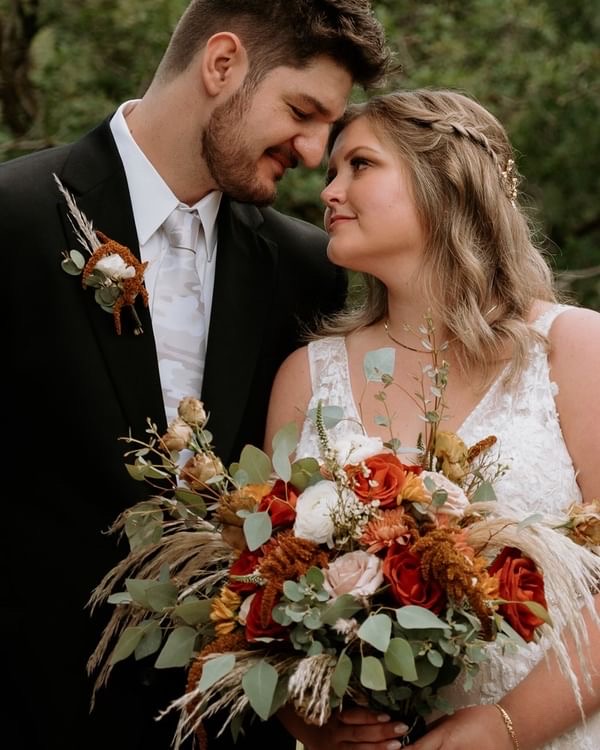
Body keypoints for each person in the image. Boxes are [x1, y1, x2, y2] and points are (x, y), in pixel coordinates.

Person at [1, 2, 392, 749]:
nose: (313, 154)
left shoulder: (307, 267)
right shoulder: (13, 218)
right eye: (302, 112)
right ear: (222, 64)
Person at [265, 89, 600, 749]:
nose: (330, 191)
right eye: (332, 172)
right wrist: (305, 714)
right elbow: (264, 587)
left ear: (444, 182)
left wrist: (508, 728)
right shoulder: (307, 375)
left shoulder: (575, 347)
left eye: (359, 165)